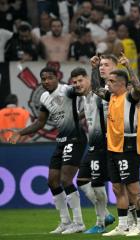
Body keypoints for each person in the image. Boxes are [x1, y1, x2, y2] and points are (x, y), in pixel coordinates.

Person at [10, 67, 87, 234]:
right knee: (52, 181)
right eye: (43, 79)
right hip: (61, 140)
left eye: (50, 78)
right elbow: (40, 123)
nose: (46, 81)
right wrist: (19, 133)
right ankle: (65, 222)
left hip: (75, 138)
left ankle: (79, 223)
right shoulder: (44, 97)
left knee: (66, 179)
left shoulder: (66, 90)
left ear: (56, 78)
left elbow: (85, 92)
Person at [91, 54, 140, 237]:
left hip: (129, 147)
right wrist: (94, 68)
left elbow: (138, 87)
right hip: (112, 147)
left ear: (122, 83)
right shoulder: (112, 97)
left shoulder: (130, 97)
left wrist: (129, 67)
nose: (108, 83)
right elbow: (95, 88)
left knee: (133, 188)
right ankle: (123, 225)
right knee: (117, 188)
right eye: (108, 81)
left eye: (112, 81)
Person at [71, 66, 116, 233]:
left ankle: (100, 223)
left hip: (103, 145)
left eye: (80, 80)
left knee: (98, 184)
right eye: (74, 82)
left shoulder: (100, 95)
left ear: (89, 80)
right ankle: (106, 214)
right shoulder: (85, 98)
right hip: (93, 145)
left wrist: (95, 68)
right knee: (82, 181)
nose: (77, 84)